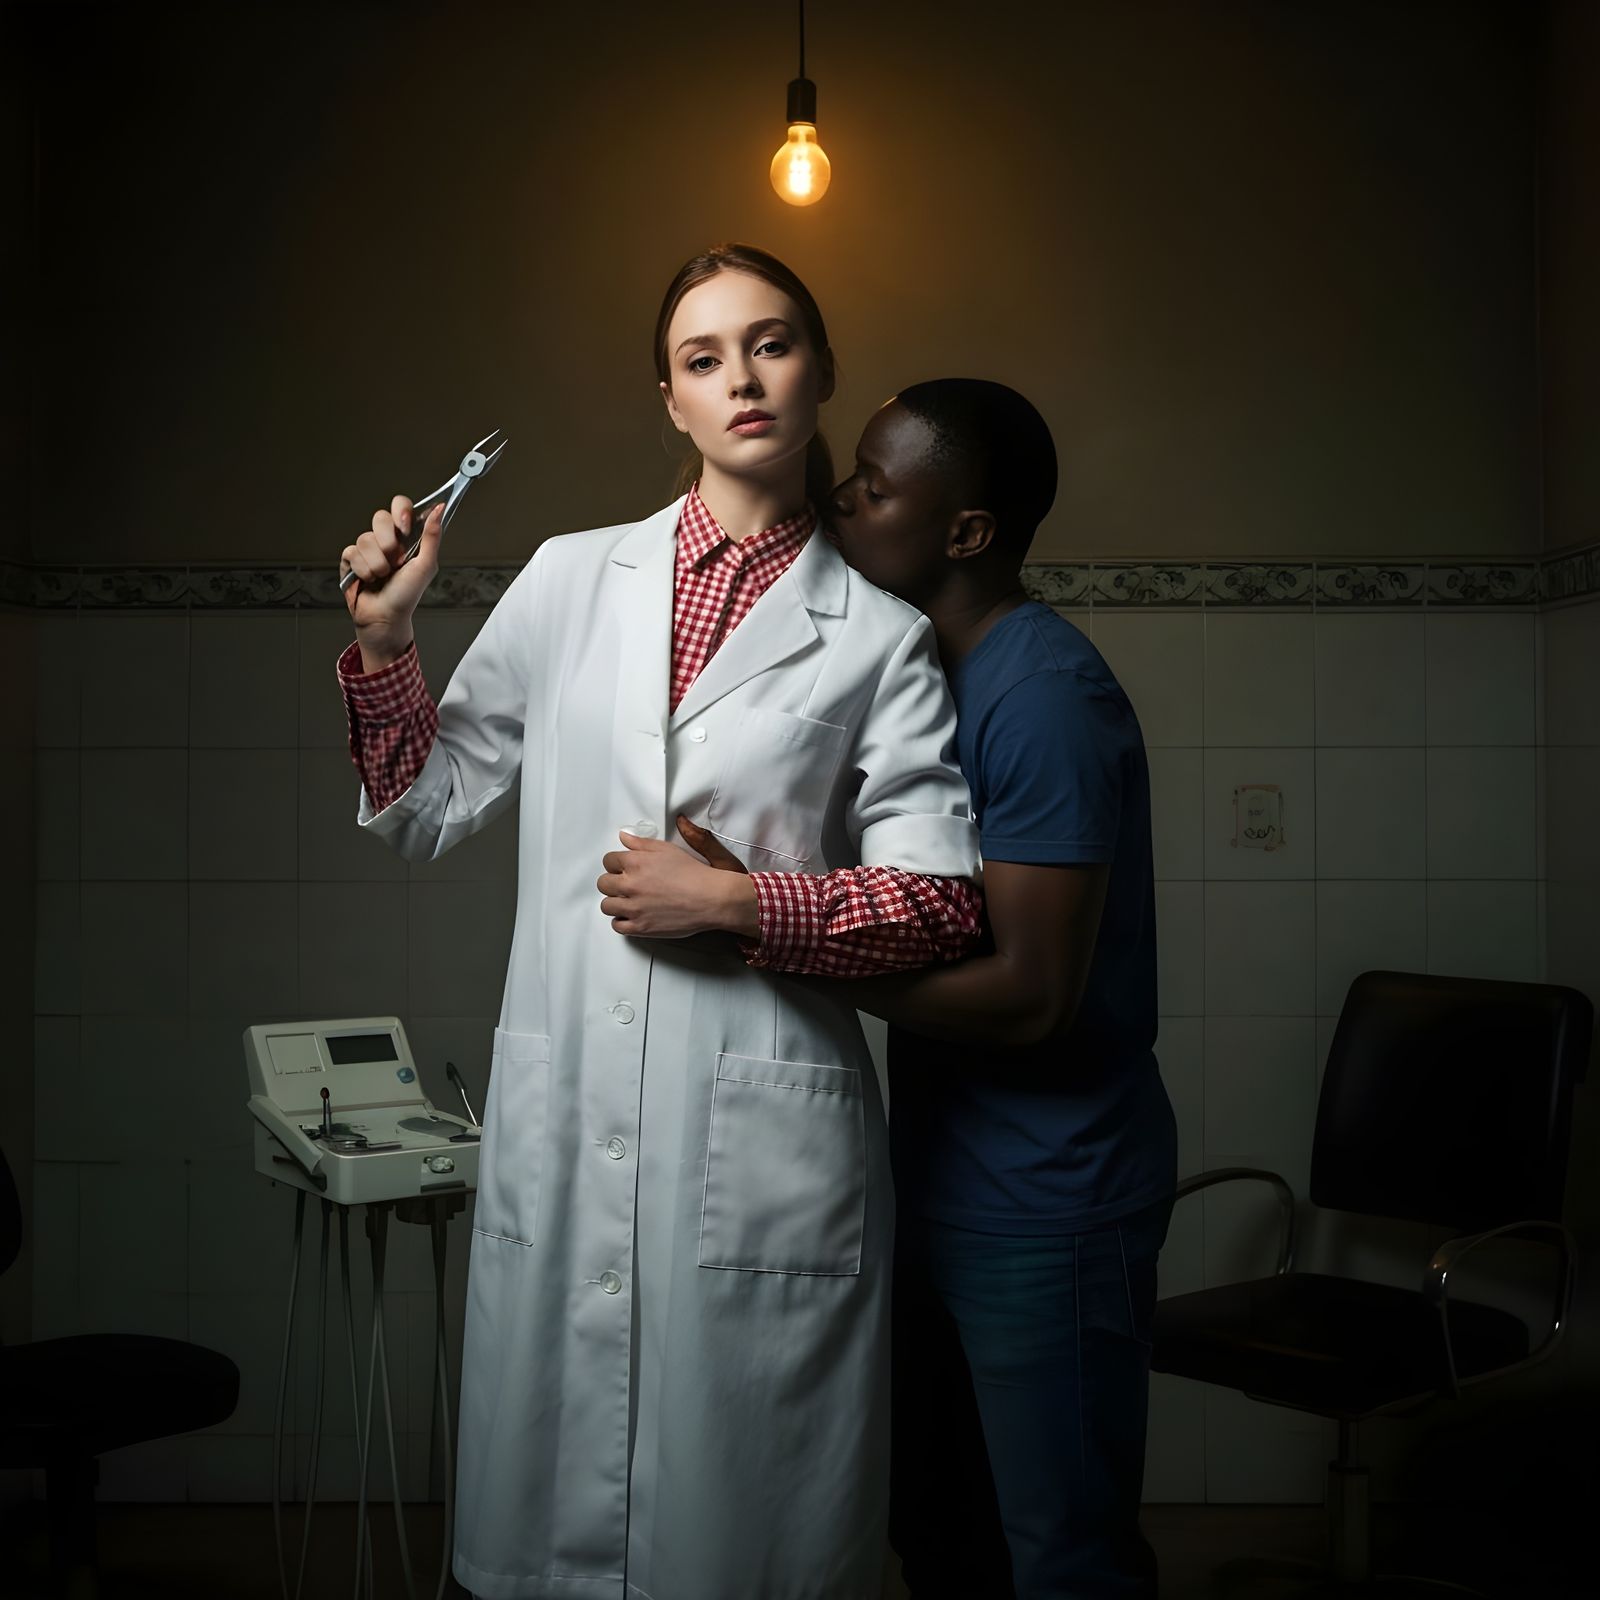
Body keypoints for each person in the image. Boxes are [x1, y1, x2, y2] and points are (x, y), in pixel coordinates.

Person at [333, 245, 982, 1600]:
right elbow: (424, 803)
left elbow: (938, 904)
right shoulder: (575, 581)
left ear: (819, 370)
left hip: (762, 1141)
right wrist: (391, 649)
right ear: (670, 402)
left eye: (771, 342)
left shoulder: (878, 637)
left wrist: (739, 903)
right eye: (704, 358)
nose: (741, 377)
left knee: (742, 1543)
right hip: (568, 1116)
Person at [828, 380, 1178, 1599]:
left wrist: (782, 946)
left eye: (874, 488)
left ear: (965, 532)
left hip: (1051, 1196)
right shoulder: (925, 675)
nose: (844, 503)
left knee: (1061, 1553)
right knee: (942, 1533)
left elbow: (1032, 997)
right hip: (940, 1177)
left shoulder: (1040, 696)